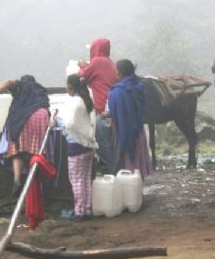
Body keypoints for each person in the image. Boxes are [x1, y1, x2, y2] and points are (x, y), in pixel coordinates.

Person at [0, 75, 51, 196]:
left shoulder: (21, 86)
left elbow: (7, 81)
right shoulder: (40, 89)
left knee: (16, 151)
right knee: (36, 152)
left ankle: (17, 179)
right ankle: (34, 183)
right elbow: (47, 107)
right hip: (40, 116)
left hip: (22, 119)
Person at [54, 74, 98, 221]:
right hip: (88, 146)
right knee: (85, 179)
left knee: (76, 180)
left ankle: (79, 211)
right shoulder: (86, 101)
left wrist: (59, 121)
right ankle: (86, 209)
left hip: (76, 146)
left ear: (71, 87)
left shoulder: (75, 102)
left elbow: (71, 123)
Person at [78, 38, 118, 175]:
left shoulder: (97, 61)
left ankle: (108, 171)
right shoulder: (110, 63)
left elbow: (83, 75)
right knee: (110, 142)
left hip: (102, 109)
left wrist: (82, 66)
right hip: (111, 108)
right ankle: (113, 169)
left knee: (103, 141)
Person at [107, 59, 153, 177]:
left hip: (125, 132)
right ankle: (137, 189)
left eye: (117, 70)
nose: (115, 72)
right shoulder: (138, 86)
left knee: (128, 165)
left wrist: (108, 114)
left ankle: (129, 192)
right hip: (138, 132)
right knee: (138, 167)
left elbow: (118, 111)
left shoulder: (118, 91)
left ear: (121, 72)